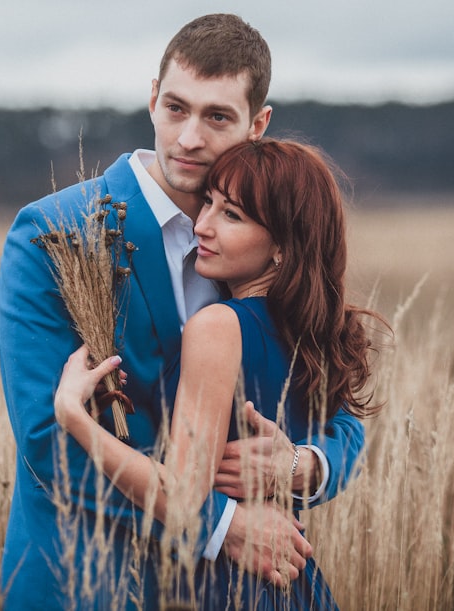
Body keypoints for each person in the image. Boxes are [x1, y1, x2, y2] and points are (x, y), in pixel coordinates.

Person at [0, 14, 368, 608]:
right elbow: (45, 437)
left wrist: (304, 466)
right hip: (89, 581)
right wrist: (220, 527)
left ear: (258, 123)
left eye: (217, 116)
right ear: (151, 99)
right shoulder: (55, 233)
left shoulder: (265, 243)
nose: (190, 138)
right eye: (175, 108)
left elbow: (341, 415)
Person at [54, 138, 389, 609]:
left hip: (228, 584)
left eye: (231, 215)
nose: (201, 226)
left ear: (282, 246)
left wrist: (74, 417)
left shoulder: (219, 325)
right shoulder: (314, 332)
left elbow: (184, 501)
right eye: (207, 203)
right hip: (290, 582)